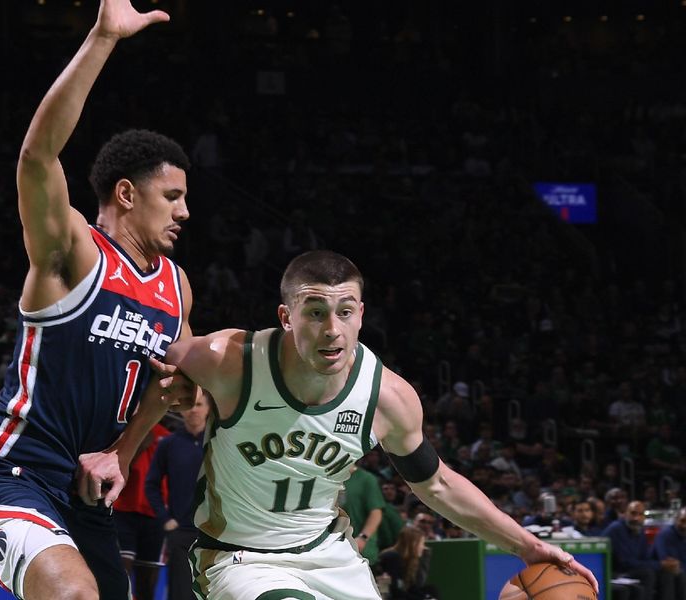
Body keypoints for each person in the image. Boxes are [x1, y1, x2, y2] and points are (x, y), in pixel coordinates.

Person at [159, 250, 598, 599]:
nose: (333, 329)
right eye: (314, 312)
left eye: (345, 312)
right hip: (242, 558)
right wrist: (168, 406)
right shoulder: (231, 361)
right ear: (286, 317)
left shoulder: (386, 397)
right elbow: (158, 358)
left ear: (362, 314)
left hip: (330, 554)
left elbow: (438, 485)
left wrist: (528, 546)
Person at [0, 2, 197, 599]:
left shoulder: (177, 285)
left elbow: (174, 388)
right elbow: (37, 158)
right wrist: (104, 38)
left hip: (86, 498)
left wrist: (121, 451)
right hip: (13, 476)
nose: (186, 212)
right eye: (174, 196)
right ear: (129, 193)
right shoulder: (74, 252)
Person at [145, 393, 210, 600]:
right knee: (180, 594)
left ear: (208, 409)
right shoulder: (169, 444)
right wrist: (165, 518)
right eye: (190, 405)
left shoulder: (217, 442)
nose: (194, 410)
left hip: (213, 532)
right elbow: (151, 484)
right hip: (180, 532)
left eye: (199, 405)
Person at [112, 423, 171, 600]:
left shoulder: (168, 438)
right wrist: (137, 444)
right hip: (123, 510)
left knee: (148, 584)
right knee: (120, 575)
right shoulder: (125, 431)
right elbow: (115, 468)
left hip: (155, 517)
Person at [603, 500, 679, 600]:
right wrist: (660, 564)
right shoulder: (616, 529)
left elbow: (645, 557)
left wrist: (664, 563)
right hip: (616, 572)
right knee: (647, 573)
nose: (636, 518)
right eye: (633, 513)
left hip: (633, 569)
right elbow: (625, 562)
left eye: (640, 514)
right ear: (625, 514)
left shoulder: (640, 529)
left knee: (667, 574)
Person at [377, 526, 438, 600]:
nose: (423, 547)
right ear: (413, 544)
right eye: (421, 543)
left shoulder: (408, 559)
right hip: (386, 596)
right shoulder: (391, 557)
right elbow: (393, 591)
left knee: (431, 590)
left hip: (398, 594)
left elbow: (411, 587)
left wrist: (427, 597)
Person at [651, 507, 686, 599]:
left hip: (679, 570)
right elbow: (666, 561)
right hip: (659, 570)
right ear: (676, 520)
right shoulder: (665, 534)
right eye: (682, 521)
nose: (684, 526)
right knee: (676, 575)